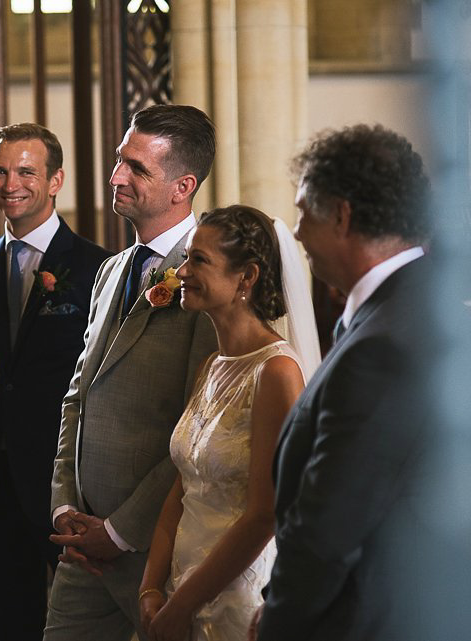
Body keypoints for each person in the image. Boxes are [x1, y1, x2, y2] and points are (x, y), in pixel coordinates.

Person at [45, 104, 219, 640]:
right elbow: (79, 395)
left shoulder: (209, 277)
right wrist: (65, 505)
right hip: (82, 543)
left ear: (182, 186)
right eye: (121, 160)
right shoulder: (112, 269)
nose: (116, 175)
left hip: (155, 549)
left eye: (137, 168)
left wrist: (119, 532)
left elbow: (199, 427)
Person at [255, 125, 434, 641]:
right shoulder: (409, 310)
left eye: (303, 212)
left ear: (343, 216)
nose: (297, 231)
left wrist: (278, 621)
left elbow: (327, 531)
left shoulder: (384, 346)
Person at [137, 206, 320, 641]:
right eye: (186, 257)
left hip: (238, 599)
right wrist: (149, 587)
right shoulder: (212, 366)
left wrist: (182, 605)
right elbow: (181, 488)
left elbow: (264, 515)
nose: (181, 271)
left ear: (246, 277)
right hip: (180, 585)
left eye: (199, 260)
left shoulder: (276, 373)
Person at [0, 123, 111, 640]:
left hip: (61, 482)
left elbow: (97, 380)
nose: (10, 183)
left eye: (26, 171)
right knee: (11, 624)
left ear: (55, 180)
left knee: (81, 624)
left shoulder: (95, 267)